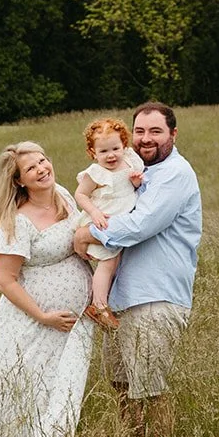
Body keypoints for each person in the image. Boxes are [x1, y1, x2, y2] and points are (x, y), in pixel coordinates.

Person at [74, 102, 201, 437]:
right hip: (123, 301)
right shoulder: (134, 170)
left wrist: (85, 234)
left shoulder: (175, 174)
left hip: (155, 298)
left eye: (156, 131)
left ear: (173, 134)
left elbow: (139, 226)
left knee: (149, 388)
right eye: (141, 131)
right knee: (119, 383)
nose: (146, 139)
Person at [0, 141, 93, 437]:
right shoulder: (17, 221)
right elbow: (4, 280)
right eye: (31, 168)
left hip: (72, 325)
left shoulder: (64, 196)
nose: (42, 169)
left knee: (64, 388)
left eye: (43, 161)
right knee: (28, 389)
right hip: (34, 325)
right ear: (19, 180)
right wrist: (44, 315)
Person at [73, 117, 144, 332]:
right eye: (103, 151)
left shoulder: (131, 161)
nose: (111, 155)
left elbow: (134, 186)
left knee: (116, 262)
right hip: (103, 220)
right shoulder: (96, 173)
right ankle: (99, 306)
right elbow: (81, 194)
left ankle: (107, 300)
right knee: (108, 263)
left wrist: (135, 182)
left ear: (124, 144)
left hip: (121, 221)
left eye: (115, 148)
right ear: (93, 153)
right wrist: (94, 212)